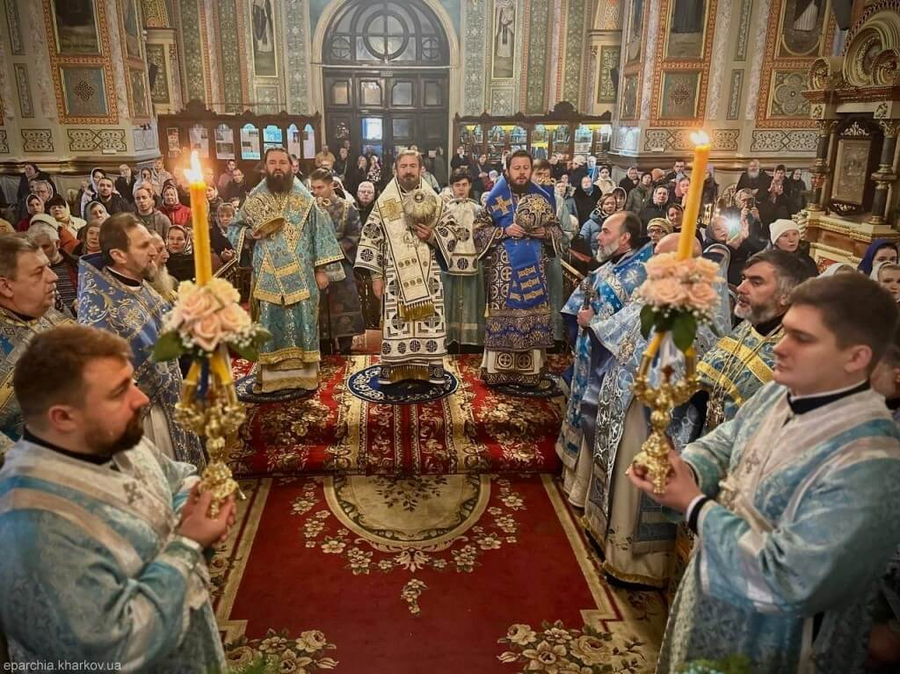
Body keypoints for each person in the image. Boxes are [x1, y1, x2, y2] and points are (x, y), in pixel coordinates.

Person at [633, 273, 900, 673]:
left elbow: (794, 579)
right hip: (712, 595)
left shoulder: (871, 461)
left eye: (802, 338)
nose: (780, 346)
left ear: (856, 357)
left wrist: (693, 506)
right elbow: (728, 440)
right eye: (785, 330)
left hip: (779, 645)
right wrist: (685, 467)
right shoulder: (783, 391)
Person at [0, 324, 231, 671]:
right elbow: (113, 651)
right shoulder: (32, 527)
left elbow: (177, 478)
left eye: (132, 382)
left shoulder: (111, 437)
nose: (142, 399)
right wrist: (187, 543)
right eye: (119, 391)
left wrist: (192, 510)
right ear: (63, 417)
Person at [584, 233, 729, 587]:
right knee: (622, 473)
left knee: (640, 479)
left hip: (655, 414)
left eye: (660, 258)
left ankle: (637, 563)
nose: (651, 265)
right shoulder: (652, 295)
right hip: (625, 398)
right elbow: (621, 331)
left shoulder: (699, 310)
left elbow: (700, 363)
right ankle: (610, 541)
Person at [77, 213, 205, 467]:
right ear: (119, 255)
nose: (154, 251)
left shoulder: (141, 284)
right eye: (144, 245)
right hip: (145, 415)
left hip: (172, 398)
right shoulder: (99, 307)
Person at [557, 212, 652, 503]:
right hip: (589, 356)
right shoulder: (610, 267)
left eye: (606, 232)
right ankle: (573, 480)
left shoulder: (639, 274)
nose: (598, 236)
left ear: (625, 238)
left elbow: (629, 324)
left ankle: (584, 490)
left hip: (610, 367)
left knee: (594, 417)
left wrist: (592, 322)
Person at [231, 147, 343, 393]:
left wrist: (322, 270)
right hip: (267, 276)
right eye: (273, 162)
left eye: (283, 162)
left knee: (303, 324)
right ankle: (271, 380)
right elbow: (234, 228)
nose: (278, 167)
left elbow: (320, 234)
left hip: (301, 276)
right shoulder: (255, 198)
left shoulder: (305, 198)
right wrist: (250, 234)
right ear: (265, 166)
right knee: (270, 325)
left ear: (292, 166)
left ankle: (304, 378)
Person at [356, 150, 463, 384]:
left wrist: (434, 237)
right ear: (396, 170)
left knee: (428, 324)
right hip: (394, 274)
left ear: (421, 169)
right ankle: (394, 370)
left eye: (412, 166)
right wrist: (376, 276)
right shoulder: (386, 201)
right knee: (398, 325)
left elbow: (454, 230)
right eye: (403, 166)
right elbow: (373, 237)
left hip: (428, 273)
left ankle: (432, 369)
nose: (408, 170)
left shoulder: (433, 198)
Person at [474, 150, 563, 387]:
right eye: (517, 168)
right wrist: (504, 231)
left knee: (531, 316)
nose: (522, 172)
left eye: (526, 168)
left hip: (535, 268)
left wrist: (545, 233)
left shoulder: (542, 197)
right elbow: (478, 230)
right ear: (507, 171)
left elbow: (558, 231)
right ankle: (498, 371)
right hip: (503, 272)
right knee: (505, 317)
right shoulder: (496, 198)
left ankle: (530, 372)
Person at [0, 235, 73, 452]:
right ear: (6, 286)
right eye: (38, 273)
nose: (53, 277)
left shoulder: (53, 316)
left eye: (48, 267)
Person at [308, 169, 365, 355]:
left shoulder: (347, 207)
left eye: (320, 187)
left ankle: (346, 347)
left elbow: (355, 235)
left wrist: (333, 250)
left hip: (341, 261)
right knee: (319, 307)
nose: (316, 192)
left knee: (345, 301)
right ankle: (323, 347)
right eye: (313, 187)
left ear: (331, 185)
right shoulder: (309, 208)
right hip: (316, 264)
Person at [442, 169, 485, 348]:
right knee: (449, 298)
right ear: (451, 187)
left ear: (470, 186)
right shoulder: (444, 209)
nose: (461, 189)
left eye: (464, 185)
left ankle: (470, 342)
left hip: (473, 262)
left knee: (470, 299)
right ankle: (449, 338)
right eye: (457, 185)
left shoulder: (478, 209)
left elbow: (485, 235)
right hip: (449, 263)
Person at [27, 222, 79, 317]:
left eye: (45, 246)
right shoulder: (28, 273)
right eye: (36, 248)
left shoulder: (78, 264)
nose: (41, 252)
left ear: (57, 243)